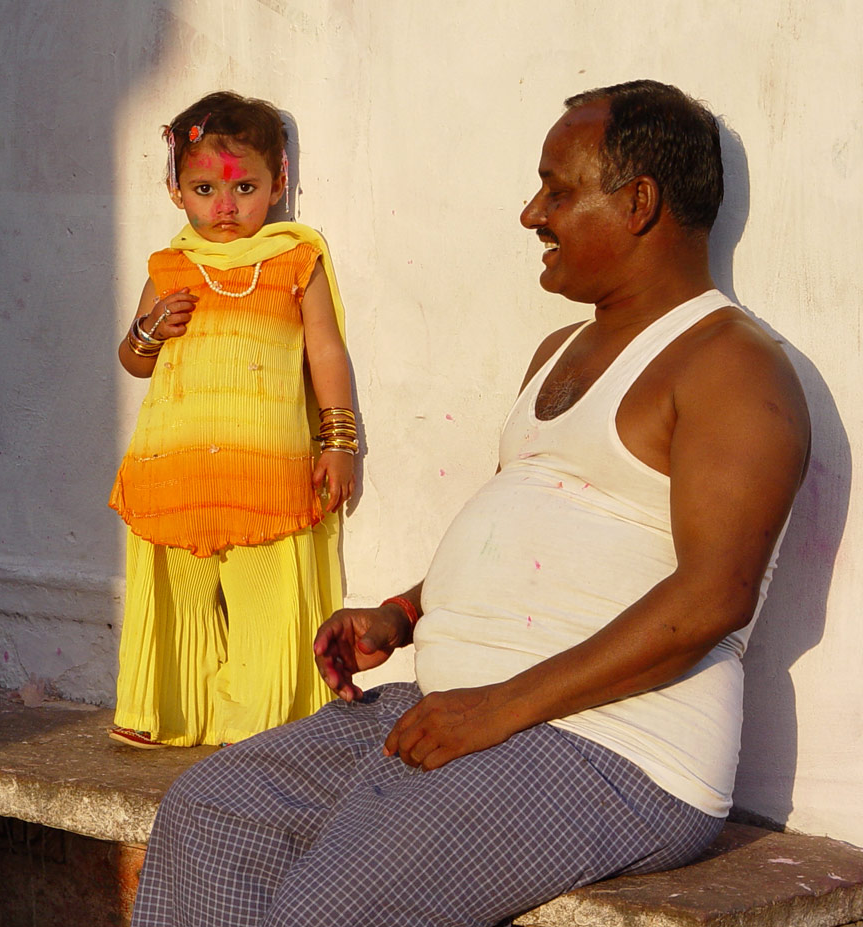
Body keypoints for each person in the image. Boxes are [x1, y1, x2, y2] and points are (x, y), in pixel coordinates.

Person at [130, 80, 811, 926]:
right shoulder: (559, 350)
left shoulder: (732, 367)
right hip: (460, 708)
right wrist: (403, 613)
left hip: (611, 747)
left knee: (328, 907)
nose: (532, 213)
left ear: (639, 204)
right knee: (209, 815)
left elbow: (715, 596)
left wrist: (500, 707)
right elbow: (531, 539)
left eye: (558, 190)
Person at [108, 91, 358, 748]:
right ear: (175, 191)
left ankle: (260, 722)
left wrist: (340, 440)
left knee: (267, 600)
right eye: (203, 188)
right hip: (176, 467)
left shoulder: (294, 259)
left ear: (278, 181)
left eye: (244, 186)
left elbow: (326, 351)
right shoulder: (171, 266)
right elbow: (133, 361)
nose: (224, 207)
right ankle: (165, 707)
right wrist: (148, 328)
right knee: (174, 593)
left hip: (264, 469)